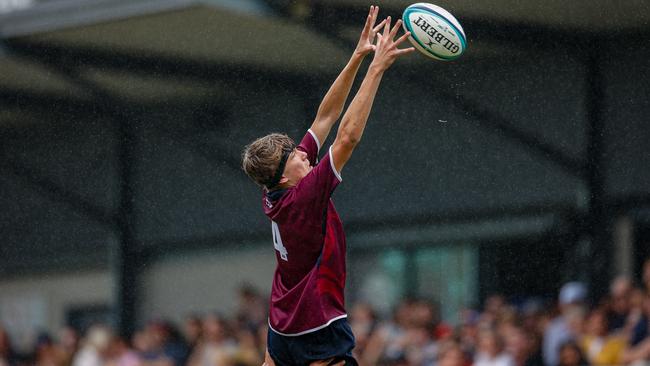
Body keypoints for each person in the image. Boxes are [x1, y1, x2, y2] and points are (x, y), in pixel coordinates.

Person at [241, 5, 414, 365]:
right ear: (287, 176)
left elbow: (324, 118)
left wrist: (356, 58)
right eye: (296, 156)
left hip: (282, 321)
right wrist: (377, 69)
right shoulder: (304, 196)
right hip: (316, 318)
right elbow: (346, 137)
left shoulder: (279, 186)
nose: (304, 154)